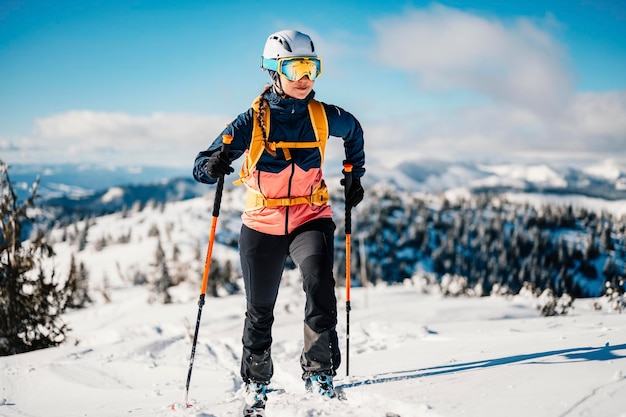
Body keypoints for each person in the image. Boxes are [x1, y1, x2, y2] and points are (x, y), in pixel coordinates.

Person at [192, 29, 365, 415]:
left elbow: (354, 131)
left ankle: (319, 371)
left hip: (310, 216)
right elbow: (201, 165)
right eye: (296, 67)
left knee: (320, 287)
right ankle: (256, 381)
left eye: (312, 67)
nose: (305, 77)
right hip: (262, 222)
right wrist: (214, 165)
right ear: (274, 70)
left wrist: (354, 174)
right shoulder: (249, 122)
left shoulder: (323, 116)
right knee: (260, 308)